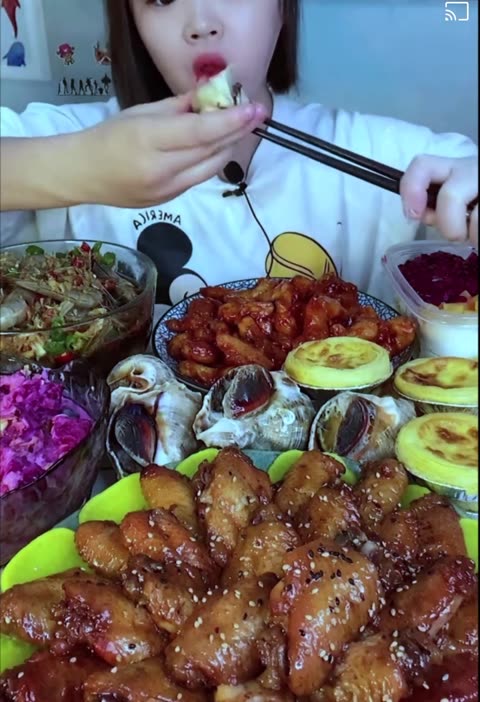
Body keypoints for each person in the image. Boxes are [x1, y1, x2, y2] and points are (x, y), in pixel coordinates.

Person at [0, 0, 477, 310]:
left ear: (283, 8)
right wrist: (82, 166)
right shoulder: (68, 135)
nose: (200, 24)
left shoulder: (388, 153)